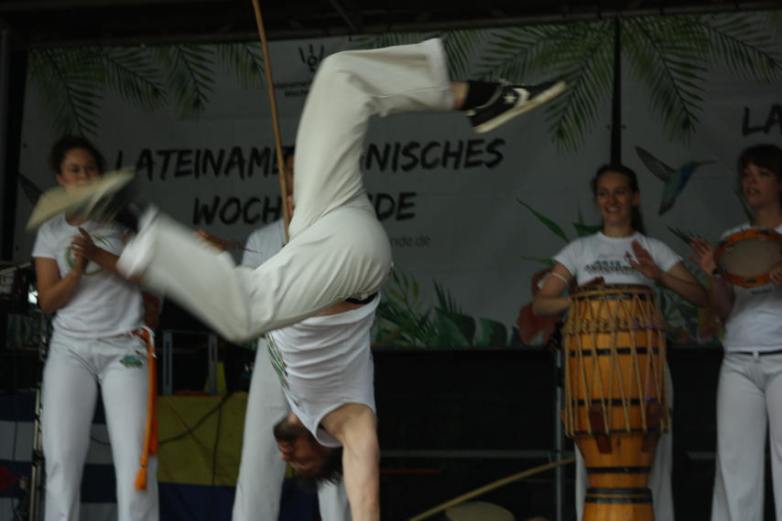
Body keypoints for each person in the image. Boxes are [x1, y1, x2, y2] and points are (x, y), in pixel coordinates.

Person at [36, 39, 565, 521]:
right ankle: (127, 214)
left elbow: (256, 289)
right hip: (355, 262)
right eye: (303, 461)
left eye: (288, 460)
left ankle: (482, 97)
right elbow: (365, 491)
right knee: (245, 312)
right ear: (327, 449)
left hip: (324, 222)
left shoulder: (295, 400)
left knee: (339, 76)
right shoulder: (349, 420)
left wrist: (220, 255)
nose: (288, 454)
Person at [532, 164, 708, 521]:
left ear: (635, 197)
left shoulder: (651, 247)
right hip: (592, 371)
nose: (611, 200)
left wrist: (659, 276)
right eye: (603, 193)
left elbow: (701, 297)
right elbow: (541, 303)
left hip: (644, 371)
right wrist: (578, 298)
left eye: (620, 192)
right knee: (595, 469)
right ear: (597, 200)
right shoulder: (580, 250)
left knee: (654, 465)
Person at [32, 136, 158, 521]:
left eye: (90, 169)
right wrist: (75, 272)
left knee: (136, 463)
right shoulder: (51, 232)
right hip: (70, 350)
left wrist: (97, 254)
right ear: (61, 179)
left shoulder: (123, 220)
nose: (84, 175)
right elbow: (48, 301)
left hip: (125, 347)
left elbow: (144, 274)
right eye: (74, 170)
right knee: (61, 462)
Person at [232, 149, 351, 521]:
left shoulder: (340, 231)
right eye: (290, 172)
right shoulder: (261, 239)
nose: (297, 179)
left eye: (306, 171)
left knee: (329, 453)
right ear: (281, 178)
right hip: (274, 354)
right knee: (259, 456)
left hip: (324, 354)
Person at [690, 144, 782, 521]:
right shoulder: (733, 238)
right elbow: (724, 309)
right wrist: (714, 274)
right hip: (739, 359)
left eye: (762, 174)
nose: (751, 182)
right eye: (746, 175)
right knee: (734, 463)